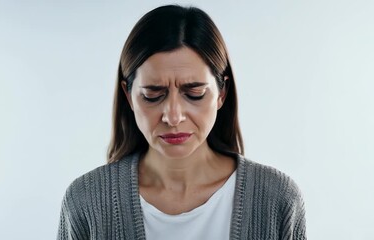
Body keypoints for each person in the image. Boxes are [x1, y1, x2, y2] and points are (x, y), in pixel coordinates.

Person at [57, 5, 306, 240]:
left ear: (221, 93)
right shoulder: (85, 202)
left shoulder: (278, 199)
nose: (173, 117)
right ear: (128, 95)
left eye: (194, 94)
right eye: (152, 95)